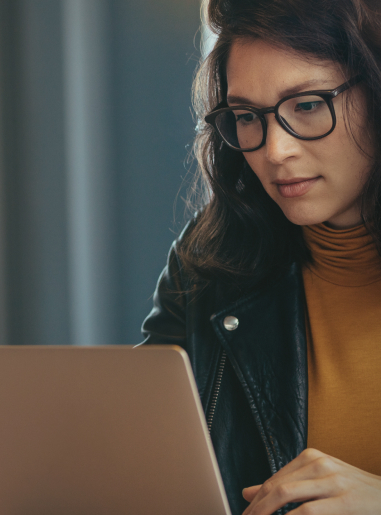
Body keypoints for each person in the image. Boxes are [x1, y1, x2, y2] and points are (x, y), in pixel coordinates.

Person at [142, 0, 381, 513]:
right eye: (248, 117)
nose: (275, 151)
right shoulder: (208, 263)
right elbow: (134, 462)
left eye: (308, 105)